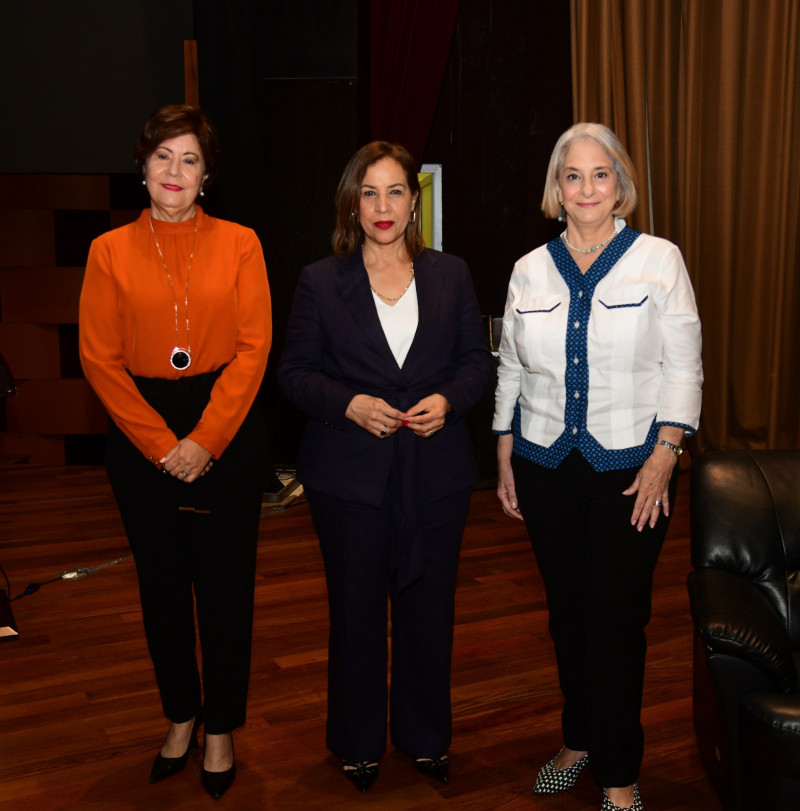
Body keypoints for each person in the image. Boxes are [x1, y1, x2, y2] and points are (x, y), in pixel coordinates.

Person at [493, 123, 702, 811]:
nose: (586, 188)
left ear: (621, 185)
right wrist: (503, 447)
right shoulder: (529, 268)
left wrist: (665, 456)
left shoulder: (659, 260)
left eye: (600, 174)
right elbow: (513, 368)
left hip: (631, 473)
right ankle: (578, 735)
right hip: (545, 464)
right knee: (566, 615)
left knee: (615, 619)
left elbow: (685, 366)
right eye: (572, 175)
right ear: (557, 188)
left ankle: (618, 769)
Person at [278, 141, 491, 793]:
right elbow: (293, 374)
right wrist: (350, 404)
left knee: (430, 610)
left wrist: (449, 400)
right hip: (348, 478)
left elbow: (477, 365)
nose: (382, 206)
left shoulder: (452, 273)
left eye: (395, 191)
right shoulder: (320, 279)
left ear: (414, 200)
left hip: (436, 473)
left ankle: (425, 736)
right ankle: (358, 740)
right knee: (357, 610)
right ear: (352, 202)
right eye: (368, 193)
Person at [79, 104, 271, 801]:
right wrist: (165, 445)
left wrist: (206, 439)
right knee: (161, 588)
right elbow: (98, 360)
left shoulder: (242, 242)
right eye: (164, 156)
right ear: (143, 165)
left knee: (225, 586)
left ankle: (221, 725)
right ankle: (181, 714)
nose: (175, 171)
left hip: (226, 422)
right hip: (140, 430)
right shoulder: (108, 251)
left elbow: (254, 350)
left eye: (190, 160)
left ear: (207, 174)